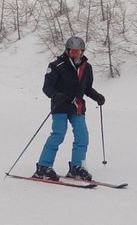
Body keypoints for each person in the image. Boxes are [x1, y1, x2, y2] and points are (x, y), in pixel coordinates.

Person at [33, 36, 105, 181]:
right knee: (58, 135)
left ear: (83, 52)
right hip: (60, 106)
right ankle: (43, 167)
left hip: (77, 107)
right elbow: (47, 87)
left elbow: (87, 88)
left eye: (79, 52)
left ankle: (76, 167)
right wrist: (55, 95)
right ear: (67, 51)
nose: (76, 55)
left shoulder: (87, 68)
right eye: (73, 52)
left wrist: (97, 96)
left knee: (82, 136)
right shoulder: (57, 65)